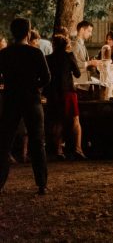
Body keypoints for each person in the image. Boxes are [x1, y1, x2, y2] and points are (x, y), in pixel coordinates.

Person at [0, 18, 50, 195]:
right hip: (32, 99)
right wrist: (34, 85)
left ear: (12, 33)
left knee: (4, 142)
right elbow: (46, 77)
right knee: (37, 141)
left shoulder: (4, 54)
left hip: (11, 99)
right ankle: (41, 183)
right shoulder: (35, 53)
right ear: (28, 33)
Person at [44, 35, 84, 160]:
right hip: (68, 91)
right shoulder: (69, 56)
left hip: (54, 93)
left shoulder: (48, 58)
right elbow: (77, 74)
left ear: (54, 44)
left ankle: (59, 150)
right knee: (75, 120)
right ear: (66, 44)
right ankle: (78, 149)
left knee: (57, 121)